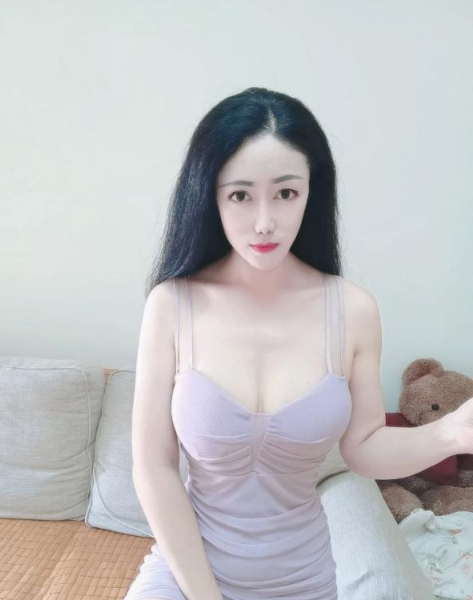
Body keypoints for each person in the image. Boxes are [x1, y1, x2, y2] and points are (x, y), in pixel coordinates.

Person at [125, 87, 471, 600]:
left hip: (302, 579)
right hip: (186, 578)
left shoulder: (352, 310)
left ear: (312, 192)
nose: (264, 222)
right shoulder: (172, 305)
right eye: (240, 195)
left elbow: (364, 449)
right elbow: (153, 468)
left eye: (286, 194)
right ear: (209, 195)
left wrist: (452, 433)